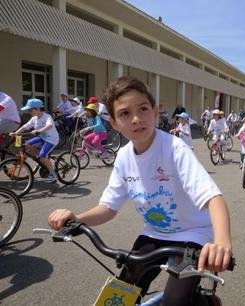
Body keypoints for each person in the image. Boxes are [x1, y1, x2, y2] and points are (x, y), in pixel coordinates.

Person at [47, 76, 232, 305]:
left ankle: (205, 302)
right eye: (124, 114)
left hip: (194, 234)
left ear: (155, 112)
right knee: (122, 293)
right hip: (154, 233)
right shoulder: (124, 157)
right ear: (113, 123)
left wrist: (222, 242)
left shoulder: (175, 149)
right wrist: (76, 219)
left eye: (143, 109)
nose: (136, 119)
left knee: (176, 301)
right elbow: (108, 207)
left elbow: (213, 199)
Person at [11, 98, 60, 183]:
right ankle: (42, 158)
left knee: (43, 155)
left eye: (30, 110)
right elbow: (25, 127)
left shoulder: (47, 117)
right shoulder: (34, 118)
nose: (28, 112)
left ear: (37, 109)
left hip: (51, 139)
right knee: (26, 145)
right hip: (42, 138)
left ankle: (53, 174)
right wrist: (16, 133)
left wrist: (39, 131)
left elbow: (49, 125)